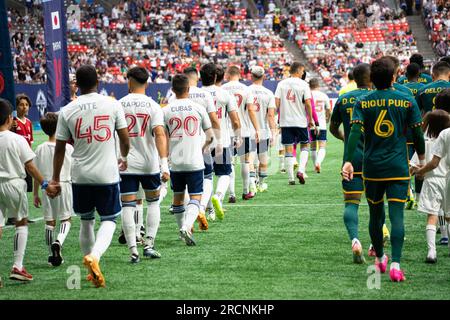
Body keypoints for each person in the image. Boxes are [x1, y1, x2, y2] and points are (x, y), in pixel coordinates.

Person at [342, 57, 425, 282]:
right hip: (398, 165)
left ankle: (379, 260)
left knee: (375, 215)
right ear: (393, 77)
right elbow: (417, 134)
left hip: (372, 167)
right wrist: (423, 158)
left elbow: (355, 133)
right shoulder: (407, 99)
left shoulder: (363, 101)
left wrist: (348, 161)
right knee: (397, 216)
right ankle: (396, 266)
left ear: (372, 80)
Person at [51, 65, 130, 288]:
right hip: (106, 173)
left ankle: (89, 268)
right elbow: (125, 139)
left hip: (80, 175)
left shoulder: (67, 110)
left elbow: (59, 149)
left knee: (86, 221)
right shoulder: (113, 104)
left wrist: (56, 178)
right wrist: (124, 157)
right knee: (109, 220)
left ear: (77, 84)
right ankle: (94, 256)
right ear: (98, 81)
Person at [0, 98, 58, 282]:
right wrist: (45, 185)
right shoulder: (16, 139)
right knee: (21, 221)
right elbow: (31, 167)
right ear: (10, 118)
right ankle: (17, 266)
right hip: (14, 184)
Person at [118, 66, 169, 262]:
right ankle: (149, 243)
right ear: (147, 83)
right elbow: (159, 134)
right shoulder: (153, 105)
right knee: (153, 203)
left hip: (126, 164)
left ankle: (133, 250)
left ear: (129, 81)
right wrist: (164, 164)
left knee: (128, 207)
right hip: (149, 164)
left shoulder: (119, 105)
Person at [163, 74, 214, 245]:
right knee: (195, 197)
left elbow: (162, 137)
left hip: (175, 161)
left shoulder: (166, 109)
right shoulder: (198, 107)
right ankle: (186, 226)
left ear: (172, 90)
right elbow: (210, 136)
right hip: (194, 160)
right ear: (188, 89)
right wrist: (201, 148)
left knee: (178, 197)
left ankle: (181, 230)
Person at [169, 66, 222, 230]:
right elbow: (213, 120)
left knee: (179, 190)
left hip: (176, 152)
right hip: (198, 148)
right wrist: (217, 142)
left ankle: (185, 221)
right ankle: (200, 209)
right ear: (195, 78)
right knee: (206, 179)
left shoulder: (170, 103)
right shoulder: (204, 96)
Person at [330, 63, 371, 264]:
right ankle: (378, 239)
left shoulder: (344, 98)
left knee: (351, 202)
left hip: (352, 158)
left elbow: (332, 127)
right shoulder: (379, 98)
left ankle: (355, 240)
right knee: (377, 203)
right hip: (377, 158)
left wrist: (346, 140)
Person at [200, 63, 241, 220]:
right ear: (216, 77)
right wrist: (237, 136)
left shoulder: (194, 94)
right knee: (225, 173)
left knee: (206, 177)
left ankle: (209, 208)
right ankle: (218, 196)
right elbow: (235, 121)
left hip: (201, 142)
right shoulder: (224, 94)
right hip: (221, 140)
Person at [33, 113, 74, 267]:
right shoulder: (68, 147)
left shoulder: (39, 148)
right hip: (64, 184)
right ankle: (59, 241)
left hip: (46, 187)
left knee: (49, 221)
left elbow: (35, 173)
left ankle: (52, 254)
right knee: (66, 219)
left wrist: (36, 193)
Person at [410, 110, 450, 263]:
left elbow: (413, 166)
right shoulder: (447, 137)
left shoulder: (426, 143)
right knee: (449, 216)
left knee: (432, 216)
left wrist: (416, 172)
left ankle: (431, 251)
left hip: (432, 181)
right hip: (448, 179)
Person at [275, 62, 317, 185]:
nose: (303, 73)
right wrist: (310, 119)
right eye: (302, 71)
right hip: (300, 121)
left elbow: (276, 102)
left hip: (285, 121)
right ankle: (301, 170)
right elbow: (308, 103)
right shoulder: (304, 84)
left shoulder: (281, 84)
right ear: (298, 71)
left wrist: (276, 117)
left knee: (288, 148)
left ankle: (291, 178)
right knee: (305, 146)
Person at [222, 65, 260, 200]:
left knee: (230, 163)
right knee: (245, 161)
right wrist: (257, 129)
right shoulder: (246, 89)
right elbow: (250, 110)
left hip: (227, 130)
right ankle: (245, 191)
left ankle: (232, 194)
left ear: (227, 75)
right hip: (243, 130)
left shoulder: (222, 89)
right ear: (239, 75)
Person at [248, 66, 277, 192]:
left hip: (249, 130)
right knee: (263, 158)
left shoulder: (246, 91)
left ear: (251, 76)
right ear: (264, 76)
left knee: (250, 158)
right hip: (263, 131)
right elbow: (270, 116)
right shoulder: (269, 93)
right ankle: (261, 184)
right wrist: (273, 132)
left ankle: (251, 183)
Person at [8, 94, 34, 227]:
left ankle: (22, 215)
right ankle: (12, 216)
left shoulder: (29, 123)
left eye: (26, 105)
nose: (24, 107)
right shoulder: (12, 122)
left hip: (26, 160)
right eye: (21, 105)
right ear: (16, 107)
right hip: (14, 161)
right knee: (15, 188)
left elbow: (30, 142)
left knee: (24, 188)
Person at [403, 63, 426, 210]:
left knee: (406, 164)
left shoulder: (400, 86)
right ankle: (418, 197)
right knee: (420, 163)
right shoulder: (425, 86)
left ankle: (407, 193)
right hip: (421, 131)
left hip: (405, 133)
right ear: (419, 74)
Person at [309, 78, 331, 173]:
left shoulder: (307, 95)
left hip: (310, 124)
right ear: (318, 85)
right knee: (322, 146)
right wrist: (327, 119)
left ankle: (315, 165)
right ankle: (318, 162)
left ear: (309, 86)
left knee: (312, 147)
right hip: (321, 124)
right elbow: (329, 110)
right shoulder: (324, 95)